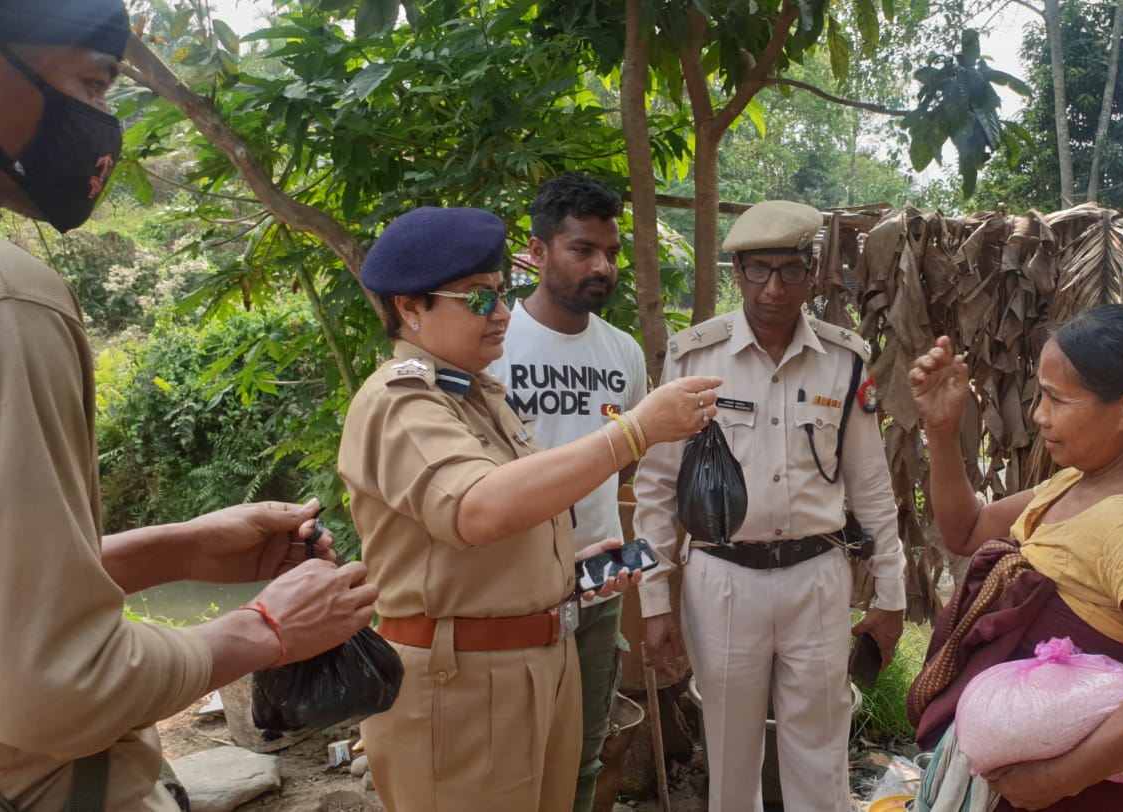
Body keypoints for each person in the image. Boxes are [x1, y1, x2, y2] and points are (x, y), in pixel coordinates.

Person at [0, 4, 379, 810]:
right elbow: (50, 688)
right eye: (91, 83)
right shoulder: (9, 301)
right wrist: (264, 631)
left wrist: (176, 551)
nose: (103, 122)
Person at [337, 205, 721, 812]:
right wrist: (637, 431)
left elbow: (507, 520)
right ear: (410, 308)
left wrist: (562, 572)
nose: (502, 314)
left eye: (499, 293)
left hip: (535, 660)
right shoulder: (401, 401)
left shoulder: (477, 394)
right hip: (460, 682)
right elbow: (478, 509)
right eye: (477, 299)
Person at [633, 200, 908, 812]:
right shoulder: (693, 357)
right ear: (737, 273)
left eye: (789, 270)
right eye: (759, 270)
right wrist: (655, 600)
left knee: (821, 749)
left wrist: (890, 596)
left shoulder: (844, 359)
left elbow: (871, 485)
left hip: (817, 577)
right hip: (722, 579)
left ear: (812, 272)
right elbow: (656, 487)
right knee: (729, 757)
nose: (774, 287)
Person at [906, 303, 1123, 812]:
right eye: (1040, 395)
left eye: (1057, 399)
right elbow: (965, 529)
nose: (1039, 415)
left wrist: (1059, 778)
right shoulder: (1074, 484)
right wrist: (943, 431)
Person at [489, 172, 647, 812]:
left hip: (601, 576)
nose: (602, 267)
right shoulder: (491, 346)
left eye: (610, 252)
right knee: (509, 754)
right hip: (507, 579)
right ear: (535, 251)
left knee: (583, 751)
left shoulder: (624, 352)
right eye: (582, 250)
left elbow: (628, 463)